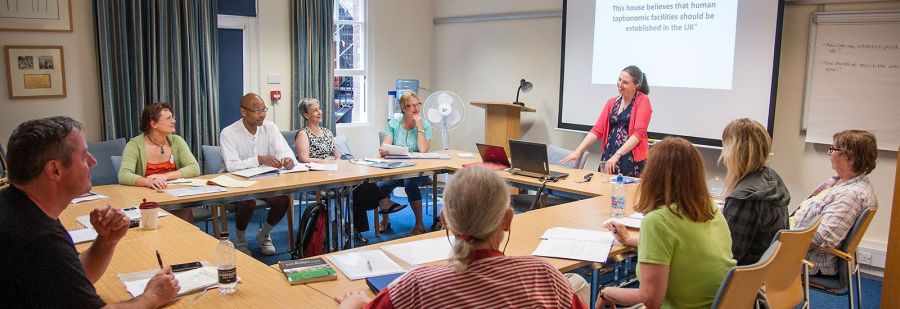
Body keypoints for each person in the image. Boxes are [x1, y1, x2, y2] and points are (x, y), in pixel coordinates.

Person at [335, 165, 588, 309]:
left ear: (444, 219)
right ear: (508, 220)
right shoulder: (545, 276)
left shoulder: (417, 286)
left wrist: (353, 303)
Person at [0, 116, 180, 307]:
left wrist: (106, 241)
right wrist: (151, 297)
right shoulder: (37, 237)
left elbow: (69, 276)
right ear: (55, 170)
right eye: (84, 156)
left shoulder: (20, 206)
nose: (93, 162)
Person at [598, 137, 735, 309]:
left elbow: (650, 300)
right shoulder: (711, 209)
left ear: (652, 174)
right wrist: (629, 240)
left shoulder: (657, 221)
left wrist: (606, 292)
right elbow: (682, 248)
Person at [792, 130, 878, 276]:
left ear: (850, 158)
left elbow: (824, 238)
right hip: (796, 241)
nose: (829, 152)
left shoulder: (851, 195)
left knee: (751, 252)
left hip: (810, 260)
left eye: (833, 149)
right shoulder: (840, 181)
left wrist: (780, 233)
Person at [220, 93, 296, 256]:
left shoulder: (270, 127)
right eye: (256, 110)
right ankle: (240, 239)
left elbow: (284, 151)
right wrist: (258, 159)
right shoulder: (228, 133)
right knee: (248, 201)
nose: (262, 115)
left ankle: (264, 233)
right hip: (239, 183)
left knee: (283, 199)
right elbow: (232, 166)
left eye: (264, 110)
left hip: (265, 181)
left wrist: (288, 159)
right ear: (243, 112)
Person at [720, 118, 790, 266]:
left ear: (734, 151)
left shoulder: (744, 198)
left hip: (743, 274)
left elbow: (727, 256)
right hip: (765, 270)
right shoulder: (771, 178)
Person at [561, 65, 652, 177]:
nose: (620, 84)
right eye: (619, 79)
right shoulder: (612, 102)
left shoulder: (643, 100)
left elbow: (638, 134)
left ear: (636, 86)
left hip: (630, 159)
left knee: (625, 187)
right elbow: (597, 130)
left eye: (625, 82)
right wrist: (578, 150)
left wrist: (618, 154)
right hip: (610, 155)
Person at [118, 102, 201, 222]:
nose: (174, 121)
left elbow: (194, 168)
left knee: (183, 216)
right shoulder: (135, 145)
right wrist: (147, 181)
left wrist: (164, 176)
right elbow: (124, 175)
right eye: (168, 118)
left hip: (175, 199)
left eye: (173, 117)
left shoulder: (177, 141)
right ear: (154, 124)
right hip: (147, 201)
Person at [375, 92, 432, 235]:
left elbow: (423, 149)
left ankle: (419, 225)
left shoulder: (425, 125)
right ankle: (385, 220)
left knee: (410, 182)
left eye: (417, 104)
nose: (415, 108)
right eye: (410, 106)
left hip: (419, 172)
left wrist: (420, 127)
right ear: (403, 108)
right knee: (380, 186)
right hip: (398, 171)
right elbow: (386, 145)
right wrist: (384, 150)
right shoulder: (394, 123)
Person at [294, 98, 340, 163]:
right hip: (314, 168)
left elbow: (337, 157)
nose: (319, 112)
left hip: (331, 167)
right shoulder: (303, 134)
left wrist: (336, 163)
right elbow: (304, 159)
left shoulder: (328, 132)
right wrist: (327, 162)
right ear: (306, 115)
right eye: (315, 110)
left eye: (319, 109)